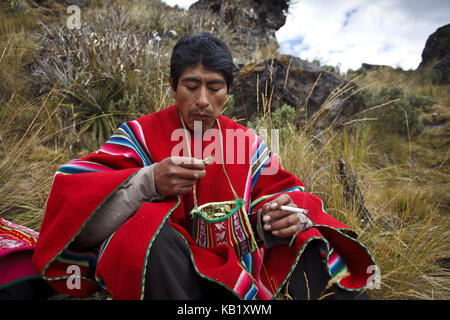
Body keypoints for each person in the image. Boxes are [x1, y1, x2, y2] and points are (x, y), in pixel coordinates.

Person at [32, 32, 375, 300]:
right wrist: (147, 181)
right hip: (172, 268)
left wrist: (285, 215)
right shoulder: (140, 134)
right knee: (144, 236)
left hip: (240, 260)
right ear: (172, 87)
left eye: (214, 88)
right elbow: (80, 212)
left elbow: (288, 195)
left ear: (228, 91)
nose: (202, 101)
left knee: (309, 235)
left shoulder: (247, 143)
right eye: (191, 86)